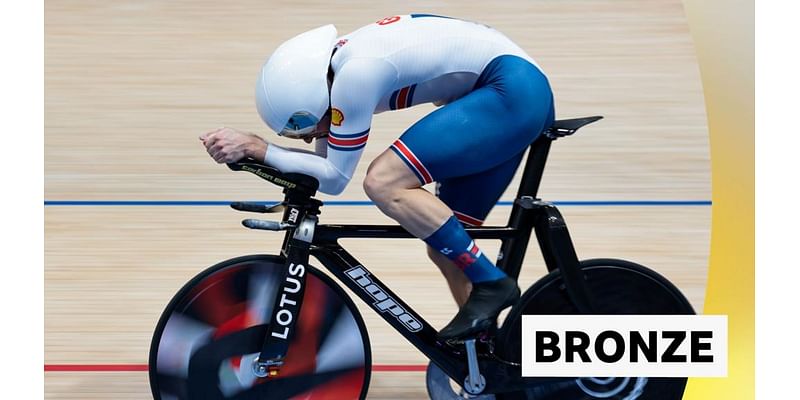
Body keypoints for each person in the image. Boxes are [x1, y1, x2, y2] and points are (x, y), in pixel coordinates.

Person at [200, 14, 555, 340]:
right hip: (511, 91)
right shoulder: (335, 72)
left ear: (316, 97)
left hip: (510, 91)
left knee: (383, 181)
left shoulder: (354, 76)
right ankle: (490, 358)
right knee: (446, 246)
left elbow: (336, 178)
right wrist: (257, 153)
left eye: (301, 127)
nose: (307, 138)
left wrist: (259, 148)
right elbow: (320, 173)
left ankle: (493, 283)